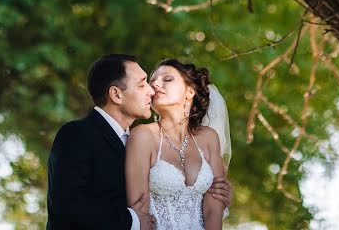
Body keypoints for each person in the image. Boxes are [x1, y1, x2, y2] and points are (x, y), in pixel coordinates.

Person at [47, 54, 232, 230]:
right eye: (144, 84)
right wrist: (133, 222)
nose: (153, 90)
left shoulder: (130, 137)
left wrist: (218, 195)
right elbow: (67, 205)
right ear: (116, 95)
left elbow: (211, 205)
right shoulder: (78, 134)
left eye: (165, 80)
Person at [125, 59, 227, 230]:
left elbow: (213, 210)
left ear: (190, 91)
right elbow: (139, 208)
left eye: (167, 79)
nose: (155, 85)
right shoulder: (143, 135)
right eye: (152, 82)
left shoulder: (209, 138)